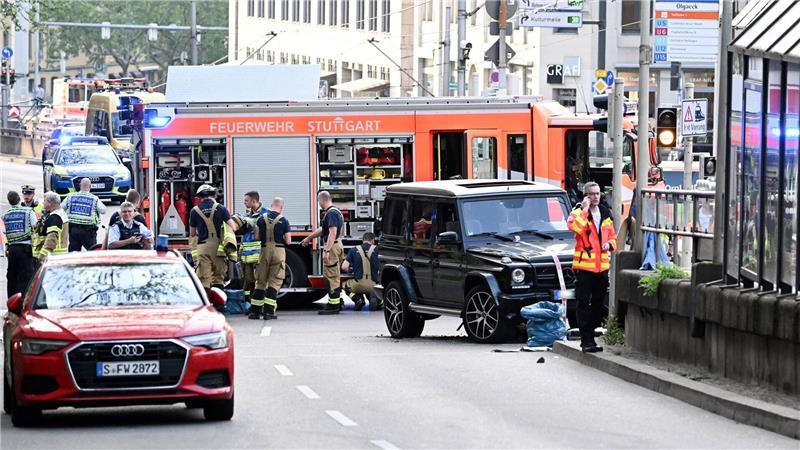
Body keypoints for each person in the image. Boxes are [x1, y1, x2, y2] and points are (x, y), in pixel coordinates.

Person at [566, 181, 617, 353]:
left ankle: (590, 335)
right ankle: (586, 340)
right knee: (582, 304)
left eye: (598, 193)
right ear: (585, 196)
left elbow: (612, 236)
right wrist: (585, 209)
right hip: (584, 267)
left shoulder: (605, 212)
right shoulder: (578, 213)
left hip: (601, 267)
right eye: (592, 194)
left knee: (597, 304)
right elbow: (575, 229)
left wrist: (610, 245)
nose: (596, 196)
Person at [301, 191, 344, 315]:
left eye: (318, 201)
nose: (318, 204)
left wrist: (327, 251)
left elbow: (332, 233)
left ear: (322, 200)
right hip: (336, 245)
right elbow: (323, 229)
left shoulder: (331, 213)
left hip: (332, 246)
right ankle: (337, 302)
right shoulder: (335, 212)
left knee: (332, 277)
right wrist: (309, 237)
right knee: (334, 274)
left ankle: (333, 306)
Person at [189, 184, 237, 294]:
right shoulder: (221, 208)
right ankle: (218, 307)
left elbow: (192, 233)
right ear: (213, 195)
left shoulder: (194, 211)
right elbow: (233, 227)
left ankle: (206, 307)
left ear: (200, 197)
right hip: (218, 248)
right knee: (218, 278)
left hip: (202, 248)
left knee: (204, 279)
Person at [249, 197, 291, 320]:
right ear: (281, 207)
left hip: (263, 250)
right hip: (278, 251)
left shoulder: (261, 219)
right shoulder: (284, 220)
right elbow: (288, 241)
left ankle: (255, 312)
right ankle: (268, 312)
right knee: (275, 281)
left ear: (271, 205)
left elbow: (256, 236)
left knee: (260, 281)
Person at [3, 191, 38, 298]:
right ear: (19, 199)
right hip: (26, 249)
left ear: (9, 201)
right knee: (26, 277)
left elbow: (5, 232)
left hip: (12, 250)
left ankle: (12, 301)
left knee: (12, 277)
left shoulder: (5, 215)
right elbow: (35, 226)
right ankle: (24, 301)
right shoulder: (28, 211)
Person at [240, 191, 269, 303]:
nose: (244, 203)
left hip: (259, 254)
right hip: (247, 254)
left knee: (261, 281)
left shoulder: (266, 214)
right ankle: (250, 304)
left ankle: (260, 305)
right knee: (249, 281)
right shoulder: (246, 215)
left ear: (254, 201)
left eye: (246, 200)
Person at [63, 178, 106, 251]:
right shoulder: (94, 198)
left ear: (80, 185)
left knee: (74, 253)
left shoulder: (70, 196)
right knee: (92, 252)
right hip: (88, 231)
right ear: (90, 186)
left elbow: (61, 207)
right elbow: (103, 210)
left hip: (73, 230)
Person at [342, 232, 381, 311]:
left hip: (358, 284)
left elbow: (344, 267)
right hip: (374, 286)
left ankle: (358, 299)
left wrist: (351, 271)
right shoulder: (378, 250)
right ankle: (377, 300)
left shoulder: (354, 250)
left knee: (344, 285)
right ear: (373, 241)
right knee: (380, 288)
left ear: (363, 240)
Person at [34, 192, 69, 262]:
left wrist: (40, 257)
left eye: (45, 201)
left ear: (50, 203)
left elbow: (51, 240)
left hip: (52, 257)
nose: (43, 203)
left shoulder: (55, 217)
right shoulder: (61, 213)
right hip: (60, 256)